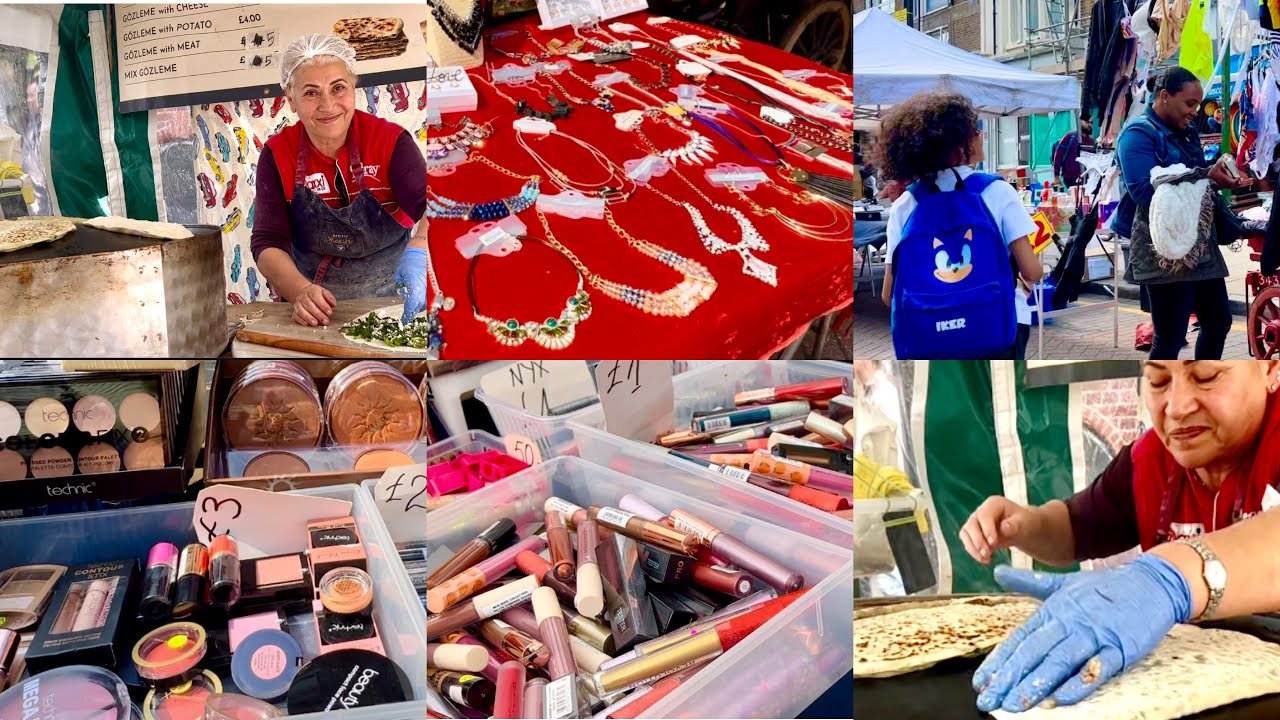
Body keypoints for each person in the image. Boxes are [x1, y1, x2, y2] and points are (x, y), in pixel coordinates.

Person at [961, 360, 1280, 713]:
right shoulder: (1150, 461)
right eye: (1158, 381)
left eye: (1205, 376)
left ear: (1269, 368)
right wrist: (1026, 524)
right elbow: (1078, 527)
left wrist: (1169, 578)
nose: (1177, 406)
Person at [251, 34, 427, 327]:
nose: (328, 104)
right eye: (310, 93)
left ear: (354, 88)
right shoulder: (277, 154)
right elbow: (267, 242)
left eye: (338, 88)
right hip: (314, 310)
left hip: (394, 301)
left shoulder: (390, 142)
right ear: (290, 100)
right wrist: (299, 291)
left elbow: (434, 205)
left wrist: (421, 246)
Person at [877, 92, 1043, 359]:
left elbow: (889, 294)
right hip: (997, 327)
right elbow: (1032, 271)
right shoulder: (997, 191)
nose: (982, 135)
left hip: (928, 334)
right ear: (958, 142)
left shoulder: (905, 205)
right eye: (976, 129)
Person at [1113, 67, 1247, 360]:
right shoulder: (1137, 134)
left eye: (1197, 105)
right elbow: (1144, 192)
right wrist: (1205, 176)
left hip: (1200, 244)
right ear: (1164, 96)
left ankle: (1201, 389)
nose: (1195, 112)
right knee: (1170, 337)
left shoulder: (1187, 133)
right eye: (1189, 104)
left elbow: (1199, 183)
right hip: (1164, 250)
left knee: (1218, 321)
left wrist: (1215, 179)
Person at [1052, 115, 1094, 188]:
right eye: (1087, 122)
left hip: (1086, 177)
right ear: (1080, 122)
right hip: (1070, 177)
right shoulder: (1070, 137)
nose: (1089, 125)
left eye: (1091, 123)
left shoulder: (1091, 141)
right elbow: (1058, 155)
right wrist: (1056, 176)